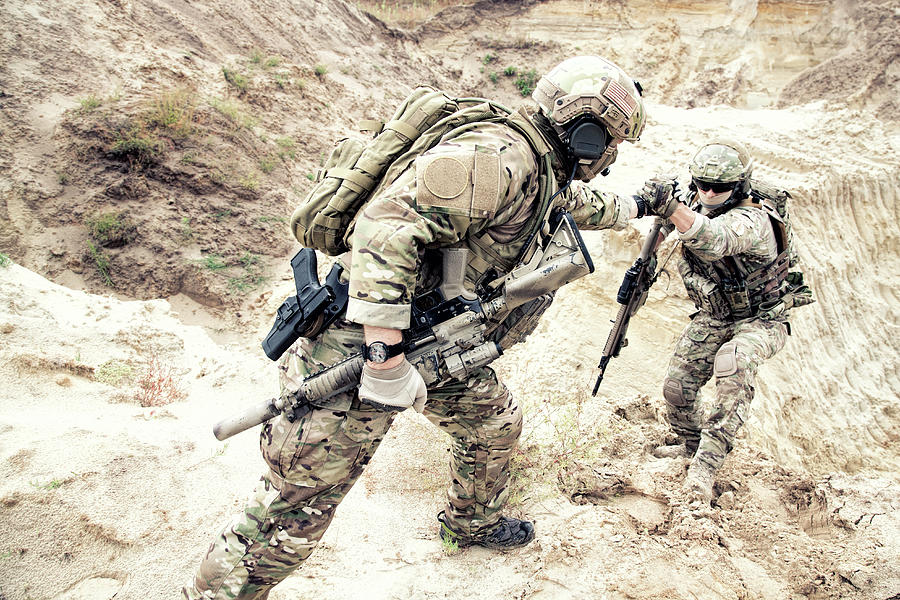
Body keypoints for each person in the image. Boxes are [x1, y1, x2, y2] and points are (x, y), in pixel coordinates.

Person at [183, 55, 651, 599]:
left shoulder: (537, 166)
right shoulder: (498, 156)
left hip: (433, 337)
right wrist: (385, 361)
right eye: (611, 142)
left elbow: (566, 205)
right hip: (360, 349)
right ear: (588, 132)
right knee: (295, 509)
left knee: (493, 423)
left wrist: (638, 204)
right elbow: (385, 231)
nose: (610, 156)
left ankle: (472, 523)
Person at [639, 139, 813, 505]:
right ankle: (689, 444)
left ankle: (706, 464)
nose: (710, 193)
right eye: (703, 184)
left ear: (741, 186)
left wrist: (671, 207)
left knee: (732, 366)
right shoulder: (695, 199)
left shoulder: (754, 219)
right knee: (677, 387)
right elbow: (665, 227)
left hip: (762, 319)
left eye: (721, 187)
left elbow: (714, 239)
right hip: (717, 314)